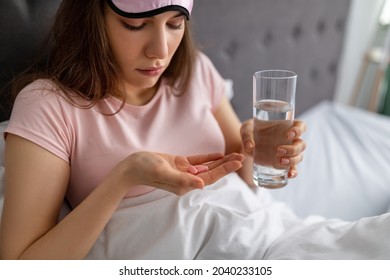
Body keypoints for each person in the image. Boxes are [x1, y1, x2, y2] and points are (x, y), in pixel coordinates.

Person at [0, 0, 307, 260]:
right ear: (92, 20)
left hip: (269, 237)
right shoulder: (48, 105)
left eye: (174, 24)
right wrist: (124, 177)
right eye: (135, 25)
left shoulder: (196, 70)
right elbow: (20, 266)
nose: (159, 50)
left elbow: (245, 177)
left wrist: (259, 146)